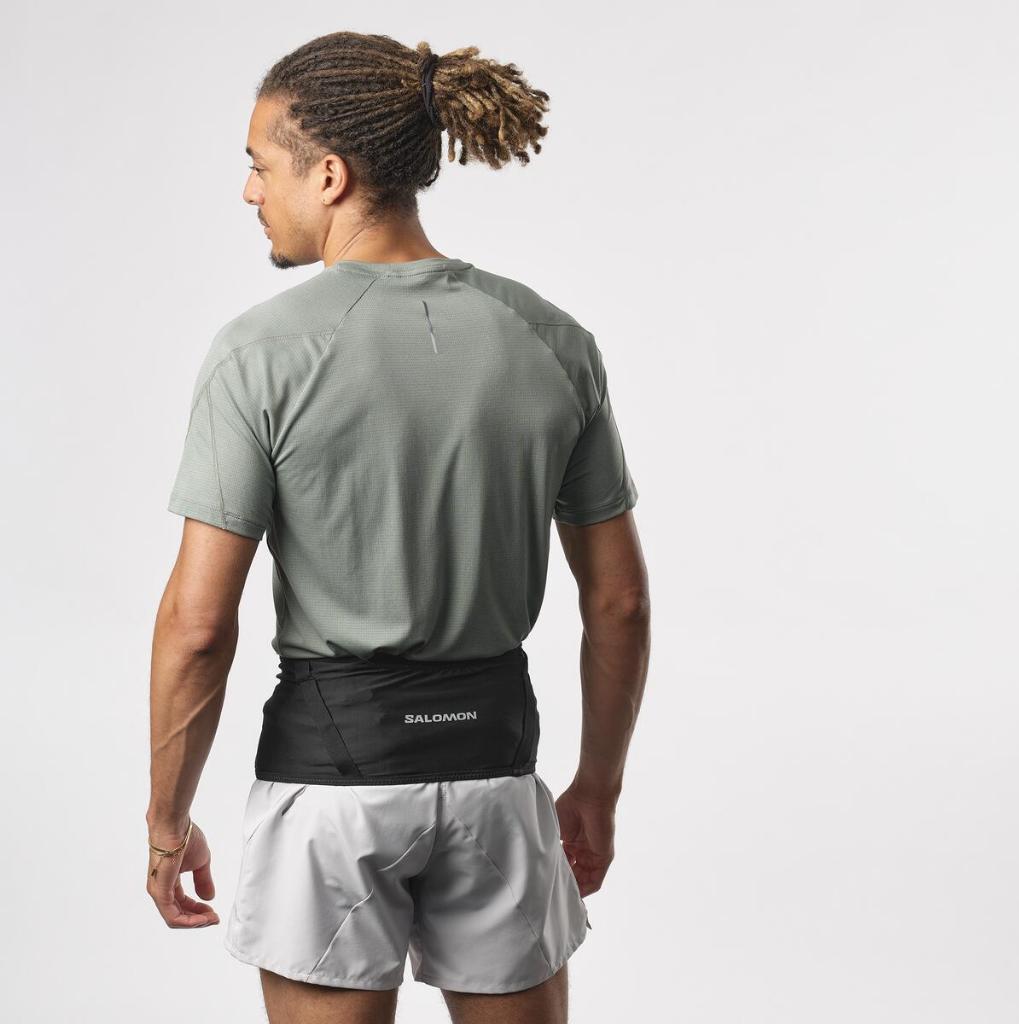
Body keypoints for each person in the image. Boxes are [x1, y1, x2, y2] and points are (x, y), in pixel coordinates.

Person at [146, 31, 650, 1024]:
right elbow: (620, 600)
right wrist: (597, 786)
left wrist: (167, 819)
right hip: (496, 776)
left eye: (260, 165)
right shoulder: (553, 340)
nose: (249, 191)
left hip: (331, 793)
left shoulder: (260, 353)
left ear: (328, 175)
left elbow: (198, 626)